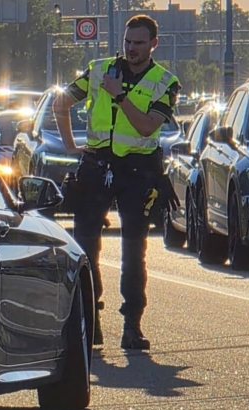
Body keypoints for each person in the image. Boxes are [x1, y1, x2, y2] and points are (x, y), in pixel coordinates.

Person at [54, 14, 180, 350]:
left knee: (133, 249)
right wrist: (70, 145)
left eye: (139, 43)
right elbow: (61, 101)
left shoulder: (165, 82)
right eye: (128, 42)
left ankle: (132, 326)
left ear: (154, 44)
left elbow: (146, 128)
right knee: (84, 247)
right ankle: (90, 320)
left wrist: (120, 95)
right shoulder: (100, 69)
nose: (132, 49)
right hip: (96, 165)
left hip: (138, 171)